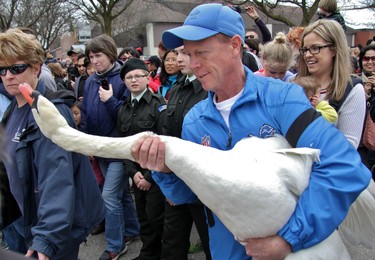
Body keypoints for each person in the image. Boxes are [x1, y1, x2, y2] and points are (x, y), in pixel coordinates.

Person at [131, 3, 371, 259]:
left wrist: (288, 240)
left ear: (235, 46)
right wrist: (166, 171)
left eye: (201, 52)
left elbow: (344, 166)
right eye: (188, 54)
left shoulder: (281, 99)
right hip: (227, 252)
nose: (193, 64)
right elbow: (188, 195)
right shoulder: (194, 121)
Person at [0, 28, 105, 259]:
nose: (8, 76)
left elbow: (57, 176)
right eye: (2, 69)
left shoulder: (49, 111)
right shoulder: (12, 108)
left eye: (17, 68)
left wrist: (46, 237)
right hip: (22, 217)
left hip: (53, 227)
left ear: (36, 67)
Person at [81, 34, 140, 260]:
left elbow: (128, 118)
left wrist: (110, 100)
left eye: (98, 55)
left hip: (119, 148)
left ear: (110, 54)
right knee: (121, 194)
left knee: (109, 196)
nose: (94, 61)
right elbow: (85, 113)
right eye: (90, 57)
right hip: (99, 147)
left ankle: (115, 244)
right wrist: (87, 142)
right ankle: (132, 231)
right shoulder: (90, 80)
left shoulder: (124, 78)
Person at [153, 45, 212, 260]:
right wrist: (172, 184)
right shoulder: (177, 87)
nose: (179, 59)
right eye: (177, 53)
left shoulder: (209, 90)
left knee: (211, 244)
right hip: (177, 179)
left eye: (185, 53)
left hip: (202, 185)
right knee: (172, 243)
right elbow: (168, 135)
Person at [117, 58, 166, 260]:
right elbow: (123, 145)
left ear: (148, 78)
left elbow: (165, 143)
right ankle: (148, 253)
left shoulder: (158, 105)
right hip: (136, 174)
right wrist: (134, 173)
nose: (134, 80)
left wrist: (148, 176)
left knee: (157, 218)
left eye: (138, 75)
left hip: (155, 174)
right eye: (129, 77)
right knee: (143, 218)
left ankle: (162, 254)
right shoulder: (123, 109)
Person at [298, 19, 366, 149]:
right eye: (305, 49)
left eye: (315, 48)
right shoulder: (295, 83)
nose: (307, 55)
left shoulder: (352, 89)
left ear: (334, 50)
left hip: (328, 166)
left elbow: (348, 146)